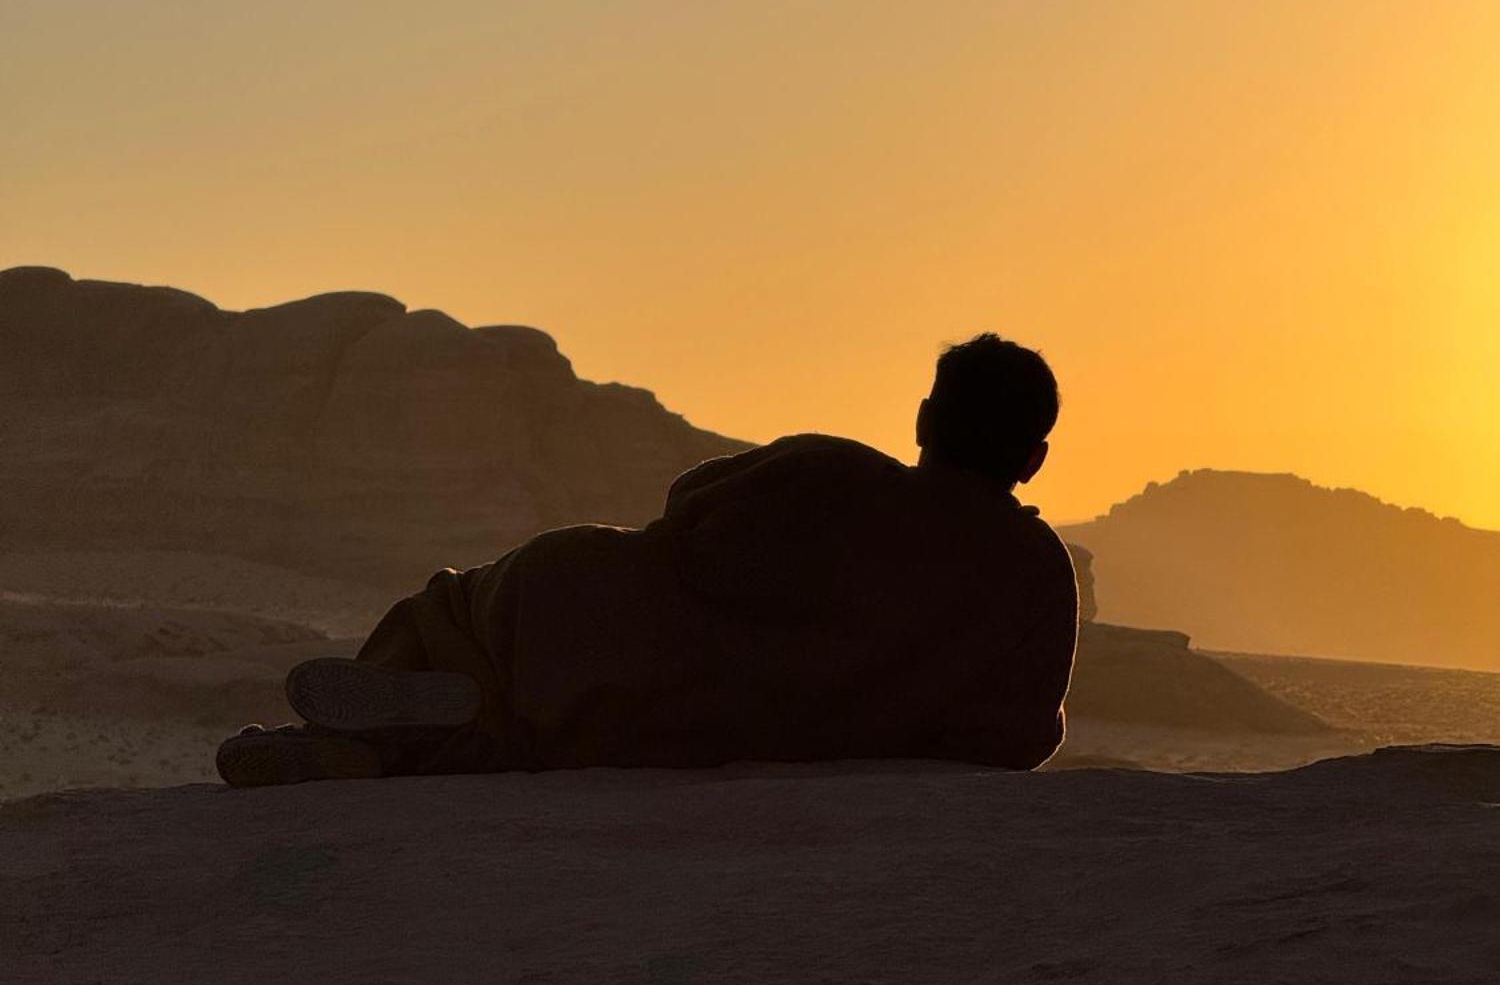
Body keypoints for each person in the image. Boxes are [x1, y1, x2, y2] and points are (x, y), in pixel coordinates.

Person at [216, 334, 1080, 787]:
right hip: (699, 727)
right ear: (1033, 459)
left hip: (603, 631)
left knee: (457, 617)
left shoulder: (834, 471)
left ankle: (373, 725)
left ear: (925, 420)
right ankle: (398, 750)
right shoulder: (1036, 573)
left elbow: (691, 509)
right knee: (544, 742)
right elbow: (1018, 736)